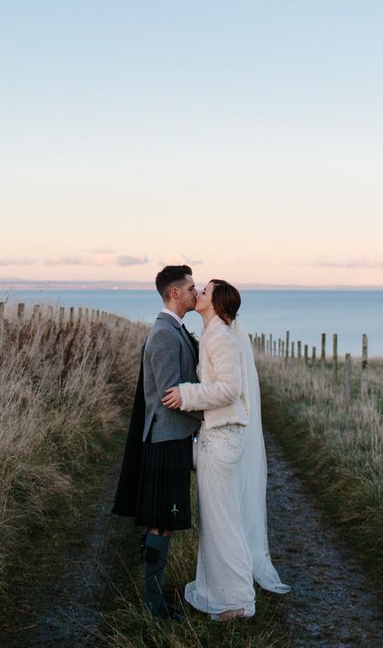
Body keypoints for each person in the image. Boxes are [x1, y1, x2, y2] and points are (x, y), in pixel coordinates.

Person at [162, 279, 289, 621]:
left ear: (217, 303)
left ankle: (238, 602)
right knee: (216, 520)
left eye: (206, 290)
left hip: (221, 440)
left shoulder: (220, 338)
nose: (199, 292)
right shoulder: (213, 335)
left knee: (223, 521)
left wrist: (186, 395)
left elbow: (230, 390)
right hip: (215, 437)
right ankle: (215, 592)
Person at [111, 265, 203, 620]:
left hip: (170, 436)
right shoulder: (164, 334)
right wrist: (209, 415)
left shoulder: (172, 329)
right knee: (161, 521)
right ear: (175, 293)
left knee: (162, 520)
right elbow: (170, 394)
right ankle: (153, 606)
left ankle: (155, 600)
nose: (197, 293)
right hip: (166, 438)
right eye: (192, 287)